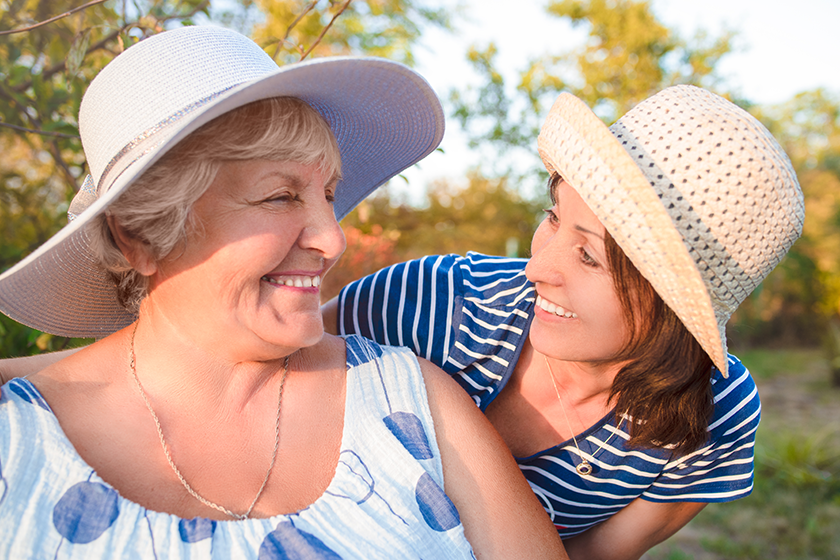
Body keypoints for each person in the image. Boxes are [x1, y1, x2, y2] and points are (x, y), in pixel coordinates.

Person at [0, 26, 566, 559]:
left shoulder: (412, 401)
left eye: (328, 193)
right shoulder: (16, 434)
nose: (332, 238)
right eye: (279, 197)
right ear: (141, 235)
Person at [321, 85, 804, 558]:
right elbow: (260, 382)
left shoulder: (714, 413)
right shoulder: (438, 302)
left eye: (589, 257)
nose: (538, 270)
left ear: (675, 309)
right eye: (553, 218)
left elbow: (596, 552)